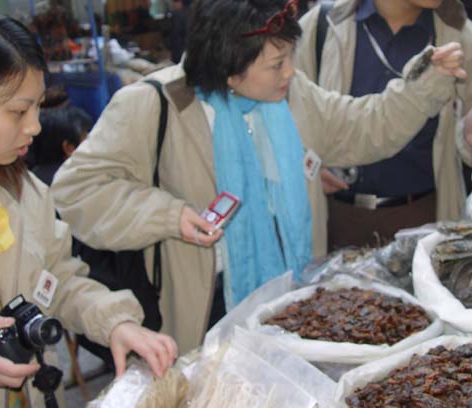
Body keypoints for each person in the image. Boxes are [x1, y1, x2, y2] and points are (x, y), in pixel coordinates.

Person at [51, 0, 465, 354]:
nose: (290, 72)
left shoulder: (293, 96)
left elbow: (364, 127)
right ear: (230, 69)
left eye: (290, 58)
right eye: (276, 64)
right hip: (205, 307)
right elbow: (76, 190)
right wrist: (167, 215)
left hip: (292, 299)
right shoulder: (154, 105)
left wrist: (424, 85)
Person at [0, 12, 177, 408]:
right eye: (18, 111)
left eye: (37, 107)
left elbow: (58, 278)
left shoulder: (24, 190)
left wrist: (114, 322)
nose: (35, 126)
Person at [296, 0, 472, 250]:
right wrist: (303, 163)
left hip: (424, 220)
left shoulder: (459, 36)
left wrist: (466, 138)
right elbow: (282, 115)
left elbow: (463, 138)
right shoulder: (322, 24)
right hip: (334, 220)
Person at [31, 106, 92, 185]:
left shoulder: (30, 179)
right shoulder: (79, 182)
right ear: (69, 148)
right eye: (86, 138)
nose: (92, 144)